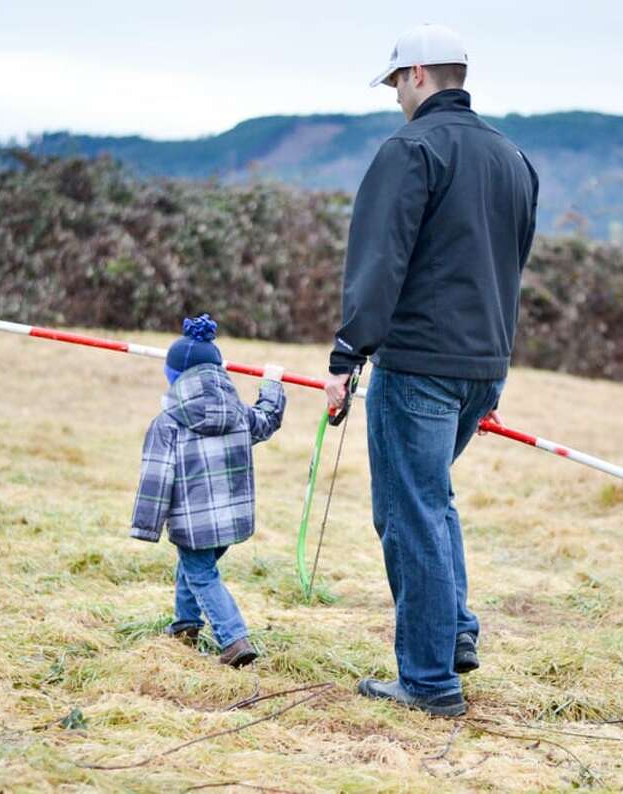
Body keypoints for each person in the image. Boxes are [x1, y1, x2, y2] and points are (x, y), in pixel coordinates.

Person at [323, 23, 539, 717]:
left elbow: (377, 262)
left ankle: (427, 680)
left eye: (394, 84)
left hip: (417, 366)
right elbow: (512, 263)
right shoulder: (513, 158)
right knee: (430, 499)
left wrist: (345, 355)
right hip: (484, 367)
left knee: (408, 512)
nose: (395, 99)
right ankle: (453, 637)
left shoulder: (410, 150)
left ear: (417, 74)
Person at [131, 314, 287, 668]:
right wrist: (272, 385)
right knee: (192, 567)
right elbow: (267, 420)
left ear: (173, 377)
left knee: (201, 573)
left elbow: (155, 480)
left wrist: (145, 527)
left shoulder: (167, 422)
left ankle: (233, 638)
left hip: (193, 523)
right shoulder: (237, 413)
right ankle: (185, 626)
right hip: (231, 522)